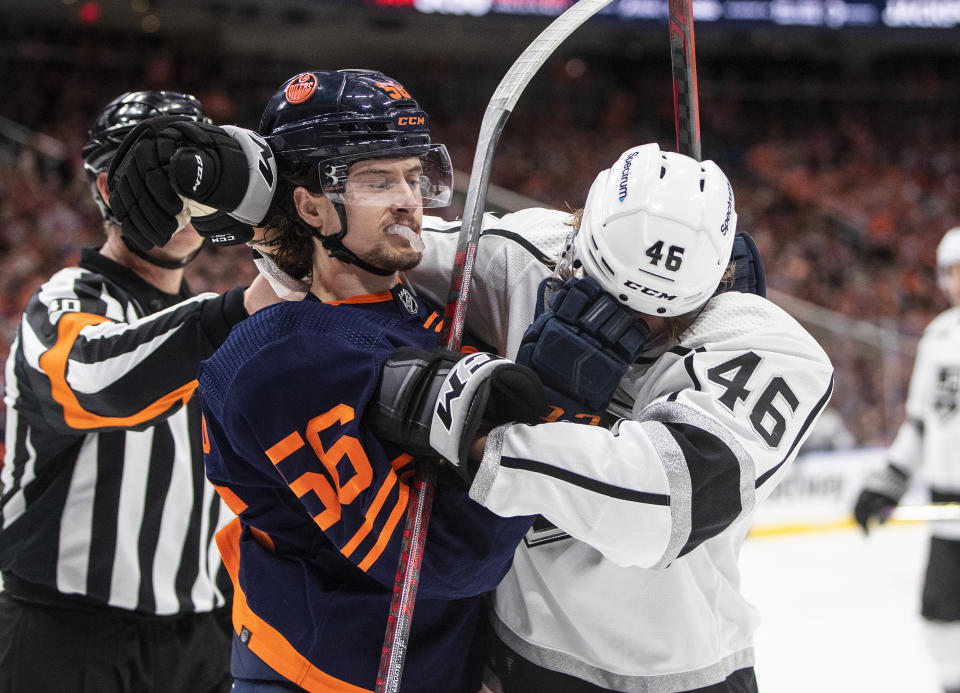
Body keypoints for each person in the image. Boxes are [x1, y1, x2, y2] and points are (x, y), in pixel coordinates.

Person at [106, 69, 547, 693]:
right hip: (319, 676)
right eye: (377, 180)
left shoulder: (427, 304)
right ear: (310, 205)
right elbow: (437, 562)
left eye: (413, 177)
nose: (409, 200)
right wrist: (530, 426)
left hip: (430, 669)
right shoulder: (281, 361)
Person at [383, 144, 834, 692]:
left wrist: (480, 437)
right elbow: (385, 246)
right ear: (576, 241)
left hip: (682, 675)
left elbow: (662, 508)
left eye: (658, 313)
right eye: (603, 294)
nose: (621, 325)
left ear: (716, 281)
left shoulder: (771, 351)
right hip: (515, 654)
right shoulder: (524, 256)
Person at [0, 90, 278, 693]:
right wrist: (239, 311)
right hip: (66, 630)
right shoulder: (66, 298)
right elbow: (99, 387)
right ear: (104, 190)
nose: (182, 204)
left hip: (202, 634)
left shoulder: (213, 316)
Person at [853, 225, 960, 693]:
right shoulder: (937, 338)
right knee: (939, 616)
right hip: (945, 511)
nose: (959, 281)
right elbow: (919, 425)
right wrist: (887, 483)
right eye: (953, 272)